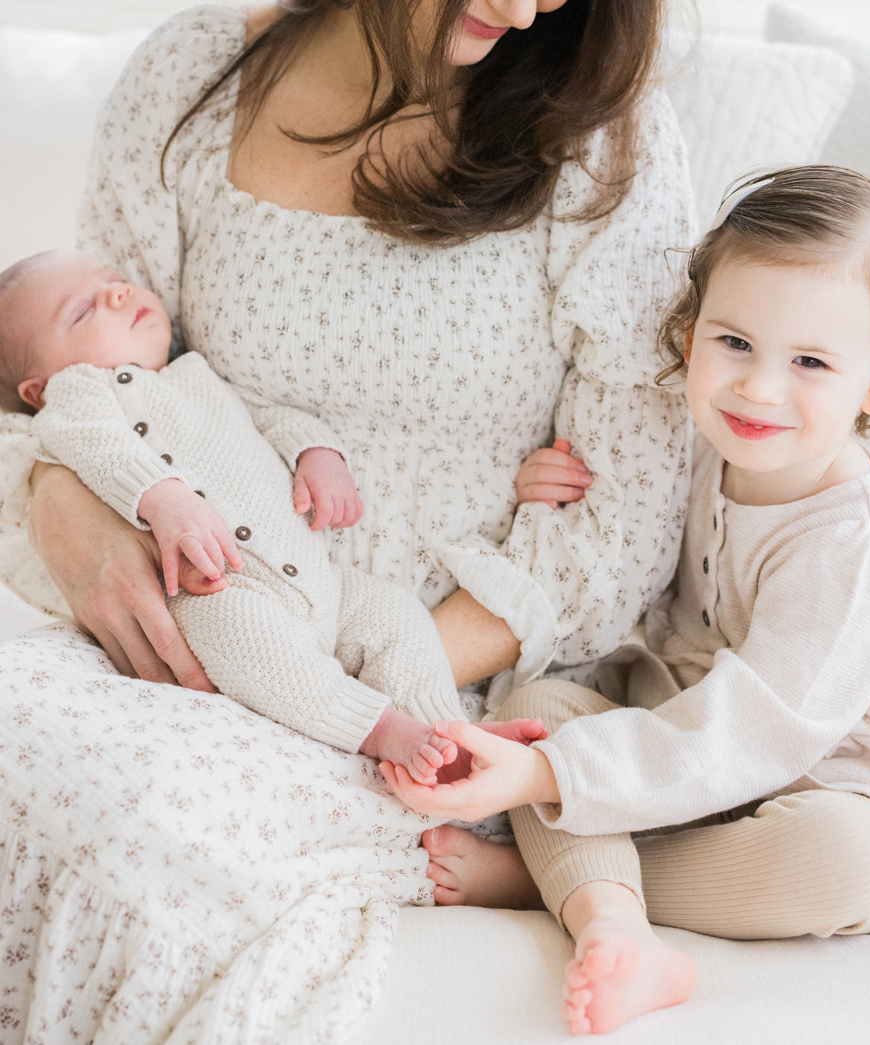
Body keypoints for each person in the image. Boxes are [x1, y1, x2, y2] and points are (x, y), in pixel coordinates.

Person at [0, 0, 694, 1033]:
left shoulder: (605, 148)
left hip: (420, 674)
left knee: (145, 846)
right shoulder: (195, 84)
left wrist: (347, 682)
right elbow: (81, 369)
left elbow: (620, 534)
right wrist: (72, 512)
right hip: (185, 624)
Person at [381, 166, 870, 1036]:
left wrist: (549, 779)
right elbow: (615, 539)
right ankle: (610, 915)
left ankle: (565, 880)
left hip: (821, 775)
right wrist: (541, 493)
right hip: (672, 712)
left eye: (810, 362)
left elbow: (760, 728)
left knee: (860, 867)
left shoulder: (855, 536)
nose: (759, 389)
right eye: (735, 343)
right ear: (691, 334)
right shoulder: (688, 440)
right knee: (539, 701)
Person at [0, 248, 546, 781]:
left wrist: (317, 455)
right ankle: (382, 730)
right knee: (255, 652)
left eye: (112, 280)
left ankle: (447, 734)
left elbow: (269, 417)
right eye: (83, 310)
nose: (117, 293)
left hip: (320, 578)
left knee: (398, 619)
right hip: (220, 589)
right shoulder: (78, 395)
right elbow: (86, 442)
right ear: (40, 388)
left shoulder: (195, 372)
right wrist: (159, 494)